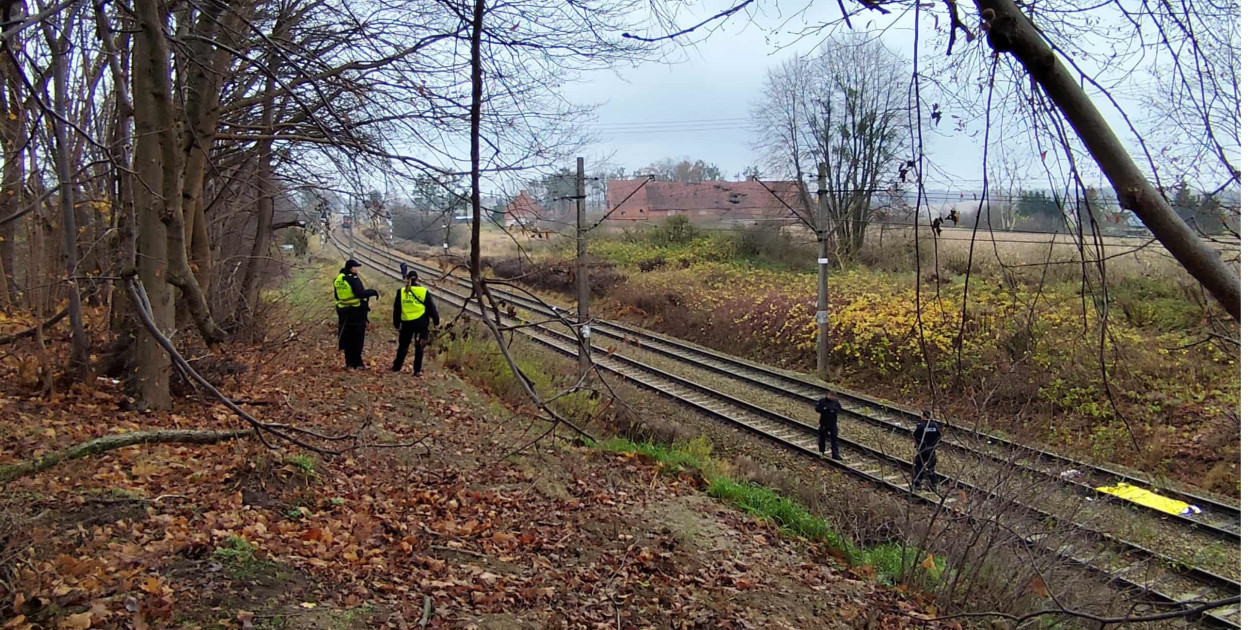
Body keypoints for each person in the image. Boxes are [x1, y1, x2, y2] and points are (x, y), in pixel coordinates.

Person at [392, 270, 440, 375]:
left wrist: (396, 324)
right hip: (421, 324)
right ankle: (417, 370)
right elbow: (431, 308)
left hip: (406, 323)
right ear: (417, 279)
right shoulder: (423, 291)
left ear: (407, 279)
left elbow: (397, 310)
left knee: (403, 346)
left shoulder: (401, 292)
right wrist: (436, 321)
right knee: (419, 347)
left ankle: (396, 367)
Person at [334, 259, 378, 369]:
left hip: (343, 311)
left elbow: (336, 296)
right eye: (356, 267)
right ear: (351, 268)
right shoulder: (352, 279)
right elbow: (360, 294)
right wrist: (373, 292)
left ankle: (349, 363)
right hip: (356, 312)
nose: (357, 269)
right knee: (357, 338)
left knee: (347, 337)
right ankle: (357, 363)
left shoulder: (338, 279)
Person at [912, 409, 942, 492]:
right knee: (931, 467)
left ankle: (917, 485)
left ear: (924, 416)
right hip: (931, 450)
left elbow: (915, 436)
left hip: (922, 450)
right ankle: (933, 485)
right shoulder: (936, 426)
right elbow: (939, 436)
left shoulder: (921, 426)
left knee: (918, 467)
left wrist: (918, 445)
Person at [814, 390, 842, 460]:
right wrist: (825, 409)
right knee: (822, 438)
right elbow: (817, 409)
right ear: (829, 395)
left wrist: (834, 410)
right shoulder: (822, 401)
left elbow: (839, 409)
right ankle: (821, 452)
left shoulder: (835, 402)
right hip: (824, 423)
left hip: (833, 423)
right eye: (832, 397)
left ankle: (835, 454)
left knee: (834, 439)